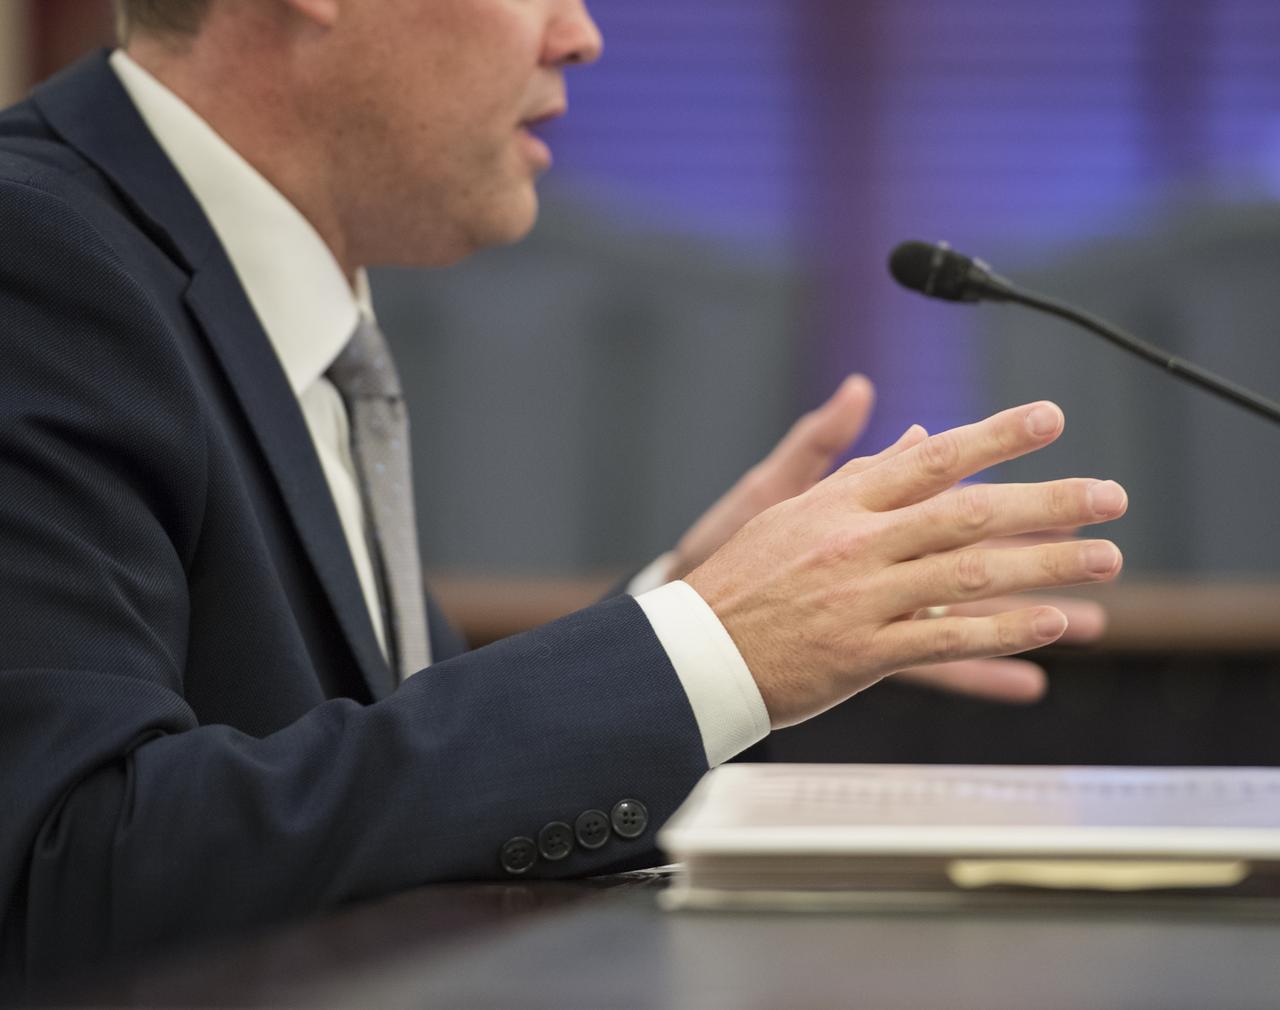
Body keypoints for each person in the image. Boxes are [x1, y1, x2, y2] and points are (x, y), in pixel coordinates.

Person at [0, 0, 1126, 983]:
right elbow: (62, 871)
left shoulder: (270, 303)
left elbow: (359, 783)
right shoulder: (34, 256)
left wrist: (684, 606)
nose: (581, 35)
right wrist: (701, 646)